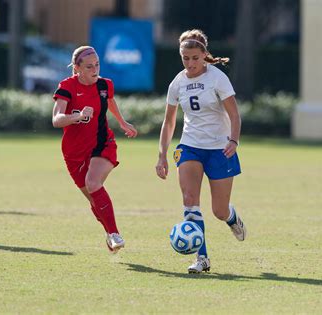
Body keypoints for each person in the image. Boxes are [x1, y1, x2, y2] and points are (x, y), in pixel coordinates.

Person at [155, 29, 247, 273]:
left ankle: (232, 218)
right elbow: (169, 121)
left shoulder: (217, 78)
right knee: (189, 201)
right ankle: (202, 258)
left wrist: (234, 141)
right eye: (185, 58)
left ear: (204, 55)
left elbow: (234, 115)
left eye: (195, 58)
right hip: (190, 147)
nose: (190, 63)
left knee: (218, 210)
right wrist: (162, 154)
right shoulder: (177, 83)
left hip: (220, 149)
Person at [52, 46, 138, 252]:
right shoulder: (67, 86)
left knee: (93, 183)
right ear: (77, 68)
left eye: (97, 65)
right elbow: (56, 120)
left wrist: (123, 122)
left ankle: (115, 234)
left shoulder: (104, 85)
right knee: (94, 199)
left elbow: (110, 102)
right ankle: (109, 233)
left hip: (102, 143)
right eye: (89, 66)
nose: (95, 70)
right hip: (74, 153)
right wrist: (77, 116)